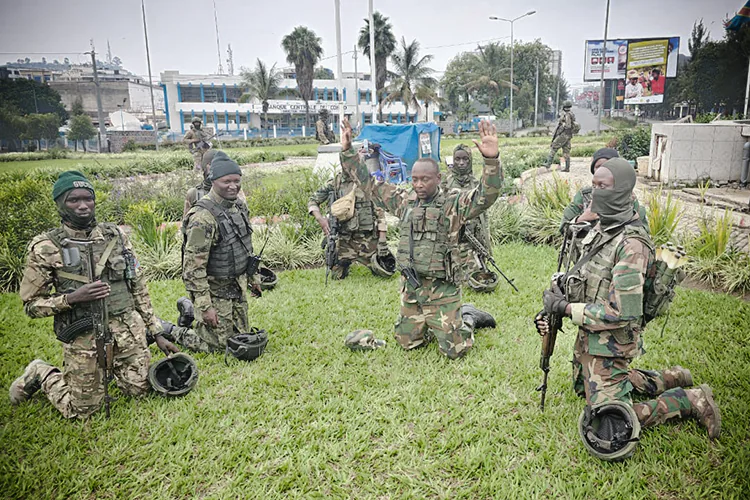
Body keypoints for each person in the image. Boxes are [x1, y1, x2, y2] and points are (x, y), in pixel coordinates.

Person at [537, 158, 720, 457]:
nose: (595, 192)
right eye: (593, 185)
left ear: (623, 191)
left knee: (606, 417)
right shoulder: (603, 225)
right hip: (590, 333)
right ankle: (667, 377)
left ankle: (690, 399)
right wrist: (556, 300)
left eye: (603, 186)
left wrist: (568, 308)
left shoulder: (631, 244)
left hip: (613, 340)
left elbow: (623, 313)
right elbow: (585, 277)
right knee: (583, 389)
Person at [10, 171, 179, 419]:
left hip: (126, 330)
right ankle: (40, 372)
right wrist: (72, 298)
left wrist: (156, 332)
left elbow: (138, 287)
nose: (82, 206)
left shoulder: (116, 237)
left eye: (88, 198)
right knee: (83, 412)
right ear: (60, 204)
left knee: (140, 391)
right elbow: (31, 306)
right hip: (84, 334)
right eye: (73, 200)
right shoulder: (46, 247)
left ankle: (107, 369)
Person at [340, 119, 500, 359]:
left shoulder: (452, 205)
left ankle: (467, 317)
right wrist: (348, 151)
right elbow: (370, 185)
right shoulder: (405, 202)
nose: (419, 184)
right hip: (413, 287)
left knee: (456, 351)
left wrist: (492, 159)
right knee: (407, 343)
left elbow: (486, 195)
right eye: (415, 179)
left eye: (425, 179)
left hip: (442, 289)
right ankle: (428, 323)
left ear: (438, 178)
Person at [178, 155, 262, 353]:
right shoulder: (202, 217)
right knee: (218, 347)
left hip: (236, 285)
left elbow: (245, 246)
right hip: (214, 288)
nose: (233, 186)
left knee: (241, 336)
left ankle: (193, 312)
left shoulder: (239, 207)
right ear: (214, 181)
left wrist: (253, 277)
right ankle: (173, 329)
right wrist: (205, 306)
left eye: (236, 181)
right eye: (226, 181)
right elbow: (193, 268)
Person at [308, 146, 392, 280]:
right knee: (336, 275)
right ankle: (344, 262)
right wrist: (320, 219)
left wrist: (382, 241)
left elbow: (380, 214)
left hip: (367, 240)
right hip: (344, 241)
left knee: (385, 272)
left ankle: (372, 258)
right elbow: (313, 200)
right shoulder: (335, 184)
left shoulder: (369, 183)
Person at [441, 144, 494, 290]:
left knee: (478, 277)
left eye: (465, 159)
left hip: (473, 235)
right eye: (457, 159)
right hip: (453, 236)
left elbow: (483, 214)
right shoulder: (445, 182)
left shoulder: (476, 183)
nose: (461, 163)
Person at [560, 148, 648, 234]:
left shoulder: (630, 202)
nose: (603, 170)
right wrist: (582, 219)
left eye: (609, 167)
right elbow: (563, 229)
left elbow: (643, 234)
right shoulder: (584, 197)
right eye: (598, 167)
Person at [544, 100, 578, 172]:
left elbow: (567, 126)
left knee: (554, 147)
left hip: (563, 134)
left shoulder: (567, 115)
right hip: (568, 135)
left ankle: (548, 164)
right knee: (566, 151)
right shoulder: (571, 114)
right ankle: (567, 167)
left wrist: (561, 126)